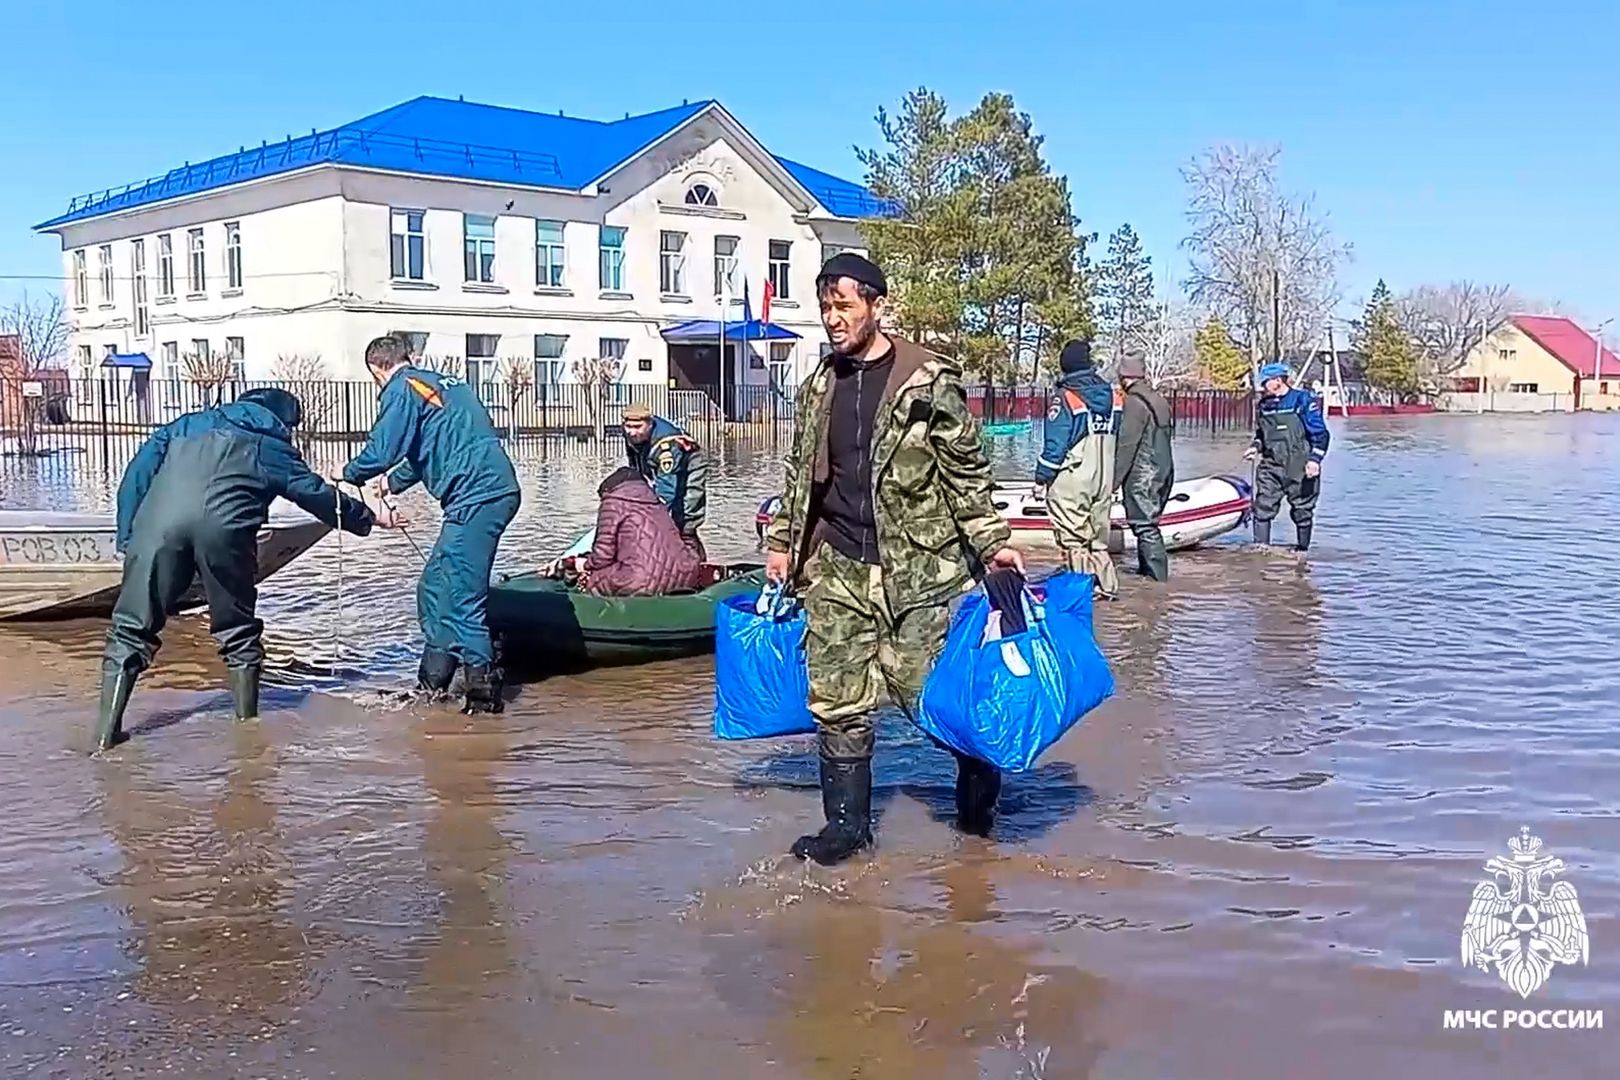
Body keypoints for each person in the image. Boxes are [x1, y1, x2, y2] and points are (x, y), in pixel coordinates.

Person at [764, 252, 1025, 866]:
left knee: (924, 694)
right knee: (836, 696)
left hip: (920, 570)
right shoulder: (818, 388)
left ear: (876, 305)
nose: (832, 318)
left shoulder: (927, 382)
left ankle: (978, 782)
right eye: (825, 307)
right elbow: (801, 475)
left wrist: (992, 543)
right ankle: (848, 829)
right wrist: (782, 544)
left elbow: (966, 473)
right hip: (837, 564)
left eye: (844, 306)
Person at [96, 388, 379, 752]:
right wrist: (365, 519)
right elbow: (315, 494)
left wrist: (128, 536)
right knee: (237, 631)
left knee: (131, 630)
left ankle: (104, 738)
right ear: (283, 422)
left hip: (156, 531)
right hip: (225, 536)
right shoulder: (269, 446)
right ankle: (248, 732)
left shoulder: (182, 425)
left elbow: (136, 475)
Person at [340, 335, 522, 713]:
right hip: (484, 494)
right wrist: (391, 483)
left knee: (463, 596)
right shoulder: (444, 384)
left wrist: (349, 475)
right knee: (434, 587)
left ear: (377, 369)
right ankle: (432, 686)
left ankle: (483, 699)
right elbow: (430, 448)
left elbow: (382, 450)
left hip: (479, 498)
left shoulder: (402, 388)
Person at [1036, 338, 1123, 598]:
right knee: (1098, 537)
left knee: (1073, 537)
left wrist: (1041, 477)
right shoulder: (1114, 396)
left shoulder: (1065, 398)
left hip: (1073, 475)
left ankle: (1080, 593)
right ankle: (1107, 587)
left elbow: (1056, 444)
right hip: (1104, 474)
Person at [577, 466, 708, 597]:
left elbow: (603, 557)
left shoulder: (612, 503)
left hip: (642, 580)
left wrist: (584, 564)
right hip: (684, 576)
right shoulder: (656, 502)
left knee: (594, 579)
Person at [1244, 361, 1330, 551]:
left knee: (1302, 510)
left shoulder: (1302, 400)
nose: (1262, 387)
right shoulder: (1264, 405)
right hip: (1271, 465)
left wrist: (1315, 460)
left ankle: (1302, 553)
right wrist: (1255, 447)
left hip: (1299, 465)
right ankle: (1260, 552)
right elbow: (1261, 433)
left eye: (1265, 382)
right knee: (1262, 508)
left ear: (1278, 381)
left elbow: (1321, 434)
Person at [1112, 354, 1176, 581]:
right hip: (1164, 469)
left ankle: (1158, 581)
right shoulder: (1158, 400)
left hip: (1144, 473)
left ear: (1124, 376)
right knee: (1149, 524)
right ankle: (1146, 576)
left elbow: (1126, 445)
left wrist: (1112, 482)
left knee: (1145, 526)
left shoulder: (1134, 404)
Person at [622, 404, 707, 560]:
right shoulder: (631, 434)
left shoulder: (667, 445)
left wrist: (649, 519)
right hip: (654, 463)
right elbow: (634, 464)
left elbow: (666, 490)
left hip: (689, 466)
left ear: (650, 423)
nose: (632, 432)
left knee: (685, 518)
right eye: (628, 426)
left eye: (637, 427)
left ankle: (698, 563)